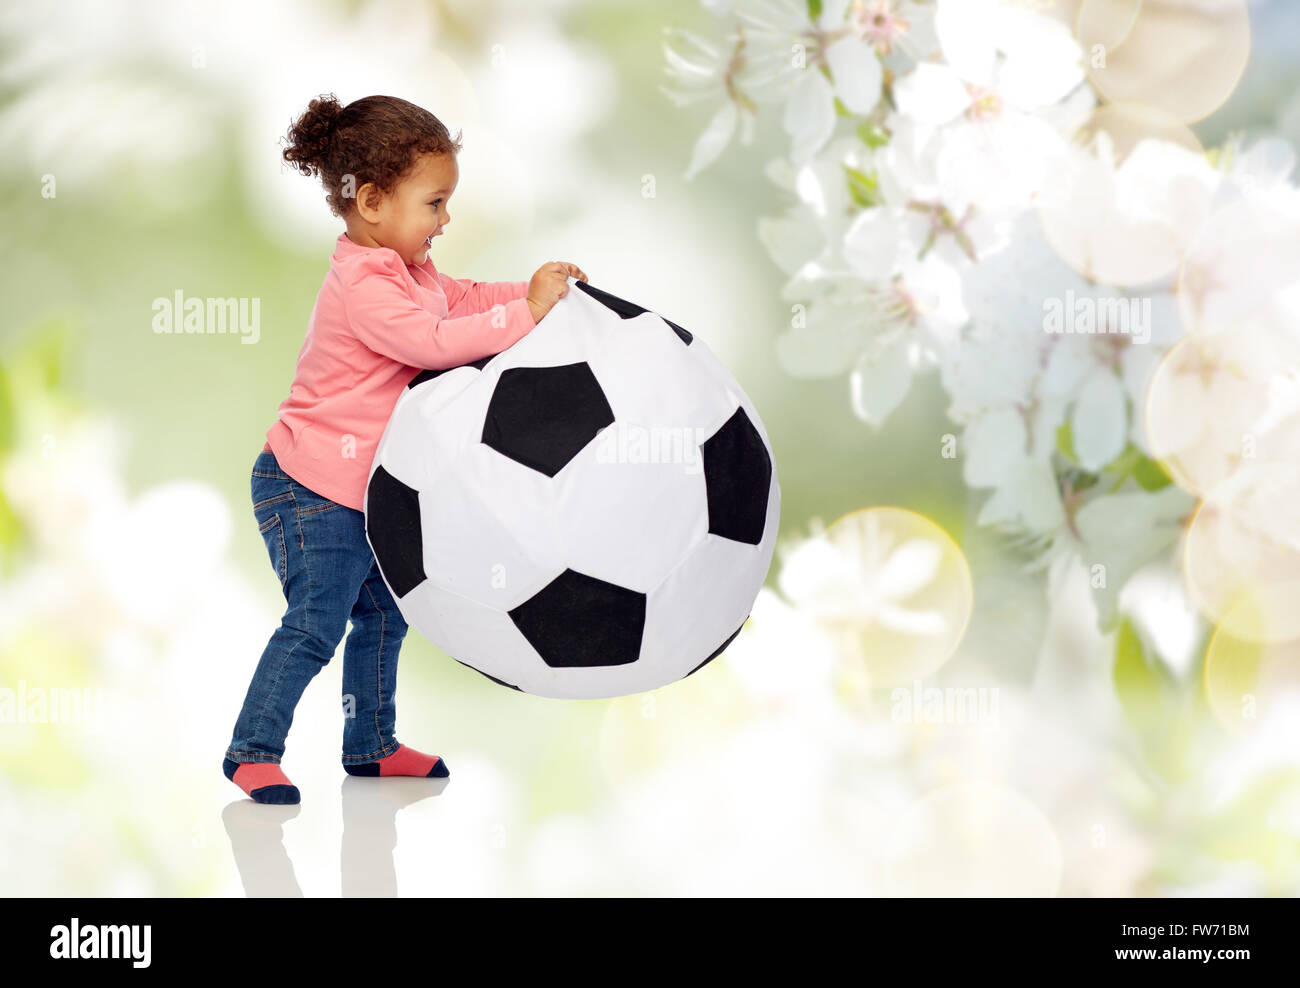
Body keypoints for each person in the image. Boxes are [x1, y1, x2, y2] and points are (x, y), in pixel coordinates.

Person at [223, 93, 587, 804]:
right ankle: (251, 750)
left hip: (360, 490)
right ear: (371, 201)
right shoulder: (364, 286)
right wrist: (528, 315)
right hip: (307, 488)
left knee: (386, 615)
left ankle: (370, 742)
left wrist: (533, 291)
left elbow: (467, 297)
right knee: (315, 623)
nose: (445, 220)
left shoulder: (409, 272)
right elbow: (435, 344)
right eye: (435, 202)